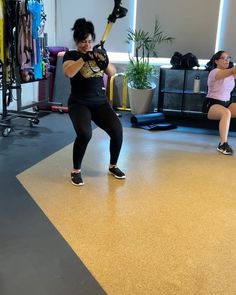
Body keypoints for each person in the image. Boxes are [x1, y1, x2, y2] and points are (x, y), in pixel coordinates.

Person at [63, 18, 125, 186]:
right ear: (77, 41)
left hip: (99, 103)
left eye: (90, 41)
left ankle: (113, 166)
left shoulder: (97, 54)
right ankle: (76, 171)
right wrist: (84, 58)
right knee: (85, 133)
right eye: (83, 41)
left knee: (117, 130)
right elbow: (69, 72)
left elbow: (112, 72)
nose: (87, 45)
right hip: (79, 103)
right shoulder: (71, 55)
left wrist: (103, 59)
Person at [205, 50, 236, 155]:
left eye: (228, 58)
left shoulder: (231, 73)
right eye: (224, 58)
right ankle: (223, 144)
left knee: (227, 110)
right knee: (226, 112)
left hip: (227, 103)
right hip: (212, 105)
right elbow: (231, 71)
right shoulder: (215, 72)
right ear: (216, 61)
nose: (227, 60)